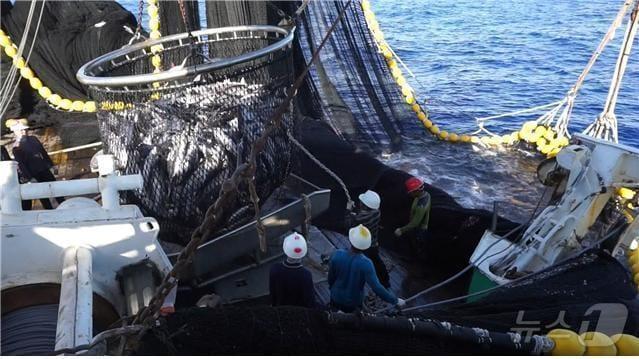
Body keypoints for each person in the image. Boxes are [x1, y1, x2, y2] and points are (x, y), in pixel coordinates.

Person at [328, 224, 405, 313]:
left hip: (335, 298)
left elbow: (331, 278)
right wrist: (395, 301)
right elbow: (377, 288)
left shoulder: (337, 254)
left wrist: (332, 288)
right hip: (353, 303)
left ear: (350, 240)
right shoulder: (366, 264)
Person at [10, 122, 64, 209]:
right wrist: (30, 178)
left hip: (44, 169)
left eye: (25, 129)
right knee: (43, 196)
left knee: (56, 189)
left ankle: (64, 206)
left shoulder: (33, 139)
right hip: (34, 173)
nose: (24, 131)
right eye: (21, 130)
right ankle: (49, 212)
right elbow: (22, 165)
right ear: (15, 132)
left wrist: (52, 165)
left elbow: (43, 152)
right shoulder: (16, 147)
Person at [349, 190, 390, 288]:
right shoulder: (377, 212)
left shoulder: (361, 218)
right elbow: (363, 216)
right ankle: (385, 281)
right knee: (377, 261)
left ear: (365, 205)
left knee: (358, 264)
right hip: (374, 244)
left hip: (363, 246)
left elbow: (349, 225)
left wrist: (348, 211)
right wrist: (355, 215)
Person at [269, 232, 316, 308]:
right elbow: (310, 301)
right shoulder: (306, 275)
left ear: (285, 250)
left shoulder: (275, 269)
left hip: (280, 310)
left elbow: (272, 294)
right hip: (299, 312)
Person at [394, 177, 431, 249]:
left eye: (410, 192)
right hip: (414, 225)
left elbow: (415, 223)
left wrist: (401, 230)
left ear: (416, 191)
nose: (410, 194)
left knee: (416, 245)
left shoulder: (421, 206)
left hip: (419, 229)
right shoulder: (426, 194)